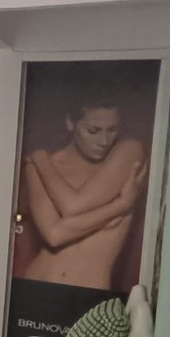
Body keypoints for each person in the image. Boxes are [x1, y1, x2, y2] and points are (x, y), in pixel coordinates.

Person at [20, 99, 148, 292]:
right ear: (71, 123)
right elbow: (54, 235)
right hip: (37, 284)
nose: (104, 141)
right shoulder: (39, 166)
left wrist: (41, 160)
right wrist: (121, 205)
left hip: (88, 293)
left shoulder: (129, 152)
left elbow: (73, 206)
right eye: (93, 131)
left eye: (112, 130)